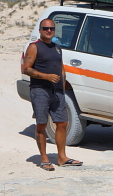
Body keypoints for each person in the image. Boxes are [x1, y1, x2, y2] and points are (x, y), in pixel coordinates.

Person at [21, 19, 83, 171]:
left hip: (57, 91)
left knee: (62, 123)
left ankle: (62, 157)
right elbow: (26, 69)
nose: (49, 31)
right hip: (40, 90)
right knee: (41, 124)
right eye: (45, 28)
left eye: (51, 29)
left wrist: (62, 86)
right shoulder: (34, 47)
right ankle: (44, 158)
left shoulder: (57, 47)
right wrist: (46, 76)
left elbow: (61, 68)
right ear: (40, 30)